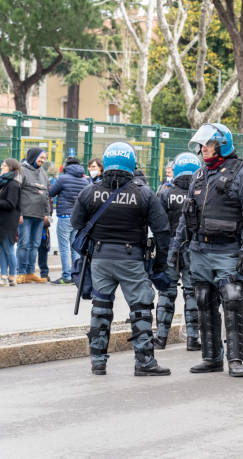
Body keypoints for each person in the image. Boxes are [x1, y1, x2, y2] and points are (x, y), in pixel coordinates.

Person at [71, 141, 171, 376]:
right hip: (132, 259)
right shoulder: (143, 193)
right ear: (131, 164)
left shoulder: (90, 191)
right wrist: (160, 264)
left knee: (101, 307)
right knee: (141, 307)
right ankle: (144, 361)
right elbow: (162, 231)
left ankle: (98, 362)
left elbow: (76, 225)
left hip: (100, 258)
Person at [173, 123, 243, 378]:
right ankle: (211, 357)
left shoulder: (242, 175)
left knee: (232, 300)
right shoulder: (199, 176)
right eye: (201, 145)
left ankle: (235, 359)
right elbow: (185, 216)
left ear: (222, 146)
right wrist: (175, 250)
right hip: (200, 248)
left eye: (207, 145)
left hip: (228, 249)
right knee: (203, 300)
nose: (203, 150)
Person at [153, 153, 202, 351]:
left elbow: (159, 224)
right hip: (194, 248)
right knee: (192, 293)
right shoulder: (201, 194)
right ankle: (192, 338)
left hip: (171, 249)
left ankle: (161, 338)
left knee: (166, 293)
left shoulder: (165, 193)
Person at [48, 156, 89, 284]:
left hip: (65, 216)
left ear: (67, 165)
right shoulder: (85, 181)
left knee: (64, 248)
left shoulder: (63, 178)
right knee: (74, 247)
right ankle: (75, 276)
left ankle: (66, 275)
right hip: (78, 218)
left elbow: (51, 193)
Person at [17, 148, 50, 284]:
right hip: (25, 215)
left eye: (44, 158)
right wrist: (18, 213)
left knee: (35, 245)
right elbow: (16, 192)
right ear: (33, 156)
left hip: (40, 215)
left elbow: (47, 194)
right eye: (40, 157)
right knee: (24, 244)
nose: (42, 160)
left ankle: (30, 272)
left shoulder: (43, 172)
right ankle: (21, 272)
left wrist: (47, 214)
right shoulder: (21, 170)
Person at [0, 158, 21, 287]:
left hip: (8, 222)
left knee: (8, 249)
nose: (1, 167)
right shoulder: (4, 183)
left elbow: (11, 203)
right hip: (1, 221)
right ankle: (3, 276)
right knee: (1, 250)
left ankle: (12, 276)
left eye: (4, 165)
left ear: (11, 168)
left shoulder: (13, 184)